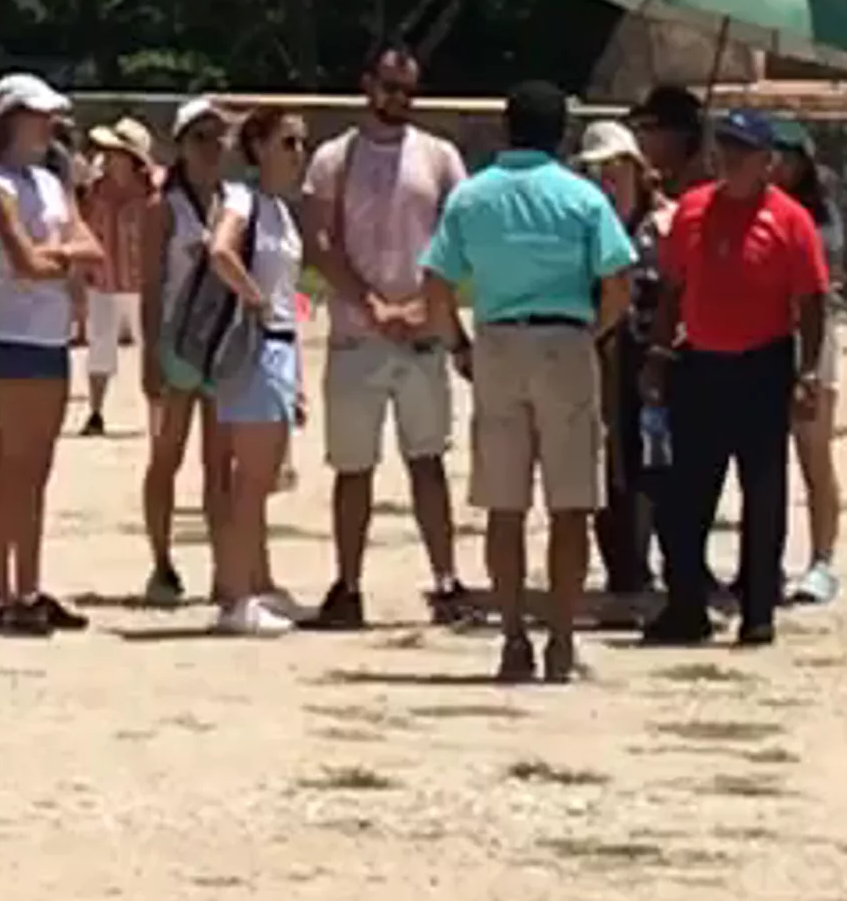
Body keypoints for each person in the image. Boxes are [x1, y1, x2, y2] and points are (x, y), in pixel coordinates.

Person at [423, 82, 637, 684]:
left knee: (504, 503)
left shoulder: (471, 198)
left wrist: (459, 346)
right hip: (564, 337)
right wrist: (593, 333)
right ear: (562, 130)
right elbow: (619, 278)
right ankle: (561, 643)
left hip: (496, 340)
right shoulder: (581, 197)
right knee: (570, 502)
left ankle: (513, 638)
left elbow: (436, 283)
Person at [303, 43, 476, 631]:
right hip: (358, 333)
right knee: (354, 468)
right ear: (367, 85)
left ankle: (446, 579)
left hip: (421, 333)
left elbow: (459, 237)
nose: (399, 99)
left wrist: (421, 305)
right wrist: (370, 302)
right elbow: (321, 243)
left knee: (427, 461)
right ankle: (347, 585)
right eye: (390, 86)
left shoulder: (439, 155)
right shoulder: (333, 158)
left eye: (408, 90)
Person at [645, 104, 826, 647]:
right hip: (700, 364)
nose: (730, 160)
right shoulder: (693, 211)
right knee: (685, 494)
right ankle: (685, 605)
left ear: (767, 162)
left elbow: (812, 302)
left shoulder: (790, 220)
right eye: (724, 148)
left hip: (762, 364)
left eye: (742, 152)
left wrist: (807, 372)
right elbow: (672, 290)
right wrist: (658, 355)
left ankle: (758, 608)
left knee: (763, 491)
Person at [0, 76, 97, 634]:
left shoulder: (50, 181)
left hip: (50, 332)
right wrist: (62, 257)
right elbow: (24, 262)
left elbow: (90, 247)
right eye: (37, 117)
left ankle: (29, 583)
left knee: (38, 468)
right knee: (12, 464)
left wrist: (60, 254)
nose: (48, 127)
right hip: (14, 333)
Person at [196, 107, 312, 636]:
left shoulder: (279, 210)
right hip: (256, 347)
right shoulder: (243, 199)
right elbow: (219, 249)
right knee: (250, 480)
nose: (298, 154)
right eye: (288, 143)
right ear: (260, 147)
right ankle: (237, 595)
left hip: (280, 349)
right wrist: (255, 299)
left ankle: (256, 582)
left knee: (262, 478)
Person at [595, 89, 705, 620]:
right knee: (614, 466)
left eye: (616, 169)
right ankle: (625, 563)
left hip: (659, 351)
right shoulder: (591, 221)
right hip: (606, 352)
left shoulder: (671, 220)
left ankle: (681, 561)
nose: (607, 180)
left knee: (664, 462)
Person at [139, 100, 243, 606]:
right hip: (178, 342)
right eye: (200, 137)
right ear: (181, 144)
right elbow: (150, 284)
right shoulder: (164, 207)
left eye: (217, 138)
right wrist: (148, 353)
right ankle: (161, 560)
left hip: (220, 341)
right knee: (167, 455)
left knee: (218, 463)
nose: (211, 147)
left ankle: (224, 569)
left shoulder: (234, 201)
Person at [774, 129, 847, 607]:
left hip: (809, 339)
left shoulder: (819, 220)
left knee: (813, 454)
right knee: (762, 463)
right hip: (759, 334)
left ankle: (822, 559)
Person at [76, 121, 159, 438]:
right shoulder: (94, 190)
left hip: (145, 284)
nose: (106, 157)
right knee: (100, 350)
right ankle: (96, 412)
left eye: (115, 152)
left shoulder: (155, 191)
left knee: (151, 351)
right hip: (104, 281)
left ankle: (157, 418)